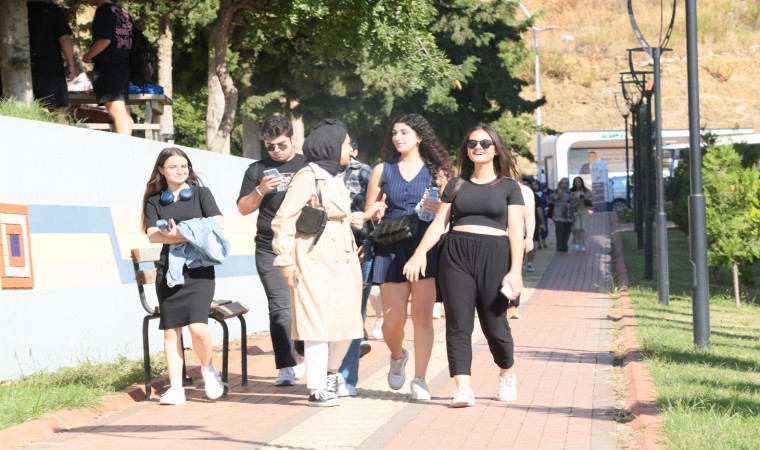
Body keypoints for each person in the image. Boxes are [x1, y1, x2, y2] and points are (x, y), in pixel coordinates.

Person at [403, 124, 525, 408]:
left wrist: (515, 271)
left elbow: (516, 231)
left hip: (495, 255)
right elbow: (439, 224)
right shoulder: (456, 185)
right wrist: (420, 253)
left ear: (496, 149)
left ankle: (506, 373)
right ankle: (463, 387)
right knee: (458, 323)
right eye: (472, 143)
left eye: (485, 143)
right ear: (466, 150)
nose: (478, 147)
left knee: (495, 326)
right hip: (456, 255)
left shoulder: (509, 187)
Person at [271, 119, 385, 407]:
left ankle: (332, 374)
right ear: (331, 145)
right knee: (316, 323)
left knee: (349, 321)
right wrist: (284, 259)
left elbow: (339, 216)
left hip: (344, 255)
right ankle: (317, 387)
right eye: (346, 145)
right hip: (313, 256)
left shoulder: (334, 176)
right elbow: (284, 219)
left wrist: (365, 216)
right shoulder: (308, 175)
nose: (350, 150)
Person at [366, 113, 453, 401]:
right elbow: (369, 210)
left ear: (419, 137)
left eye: (404, 132)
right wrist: (375, 211)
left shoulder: (438, 172)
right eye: (394, 132)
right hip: (391, 245)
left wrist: (439, 207)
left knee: (422, 317)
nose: (397, 137)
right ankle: (397, 354)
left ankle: (420, 380)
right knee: (392, 320)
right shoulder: (382, 170)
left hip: (425, 246)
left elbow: (449, 212)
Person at [140, 147, 226, 405]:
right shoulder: (155, 200)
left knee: (198, 328)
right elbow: (153, 235)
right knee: (171, 331)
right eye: (173, 166)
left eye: (184, 166)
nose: (180, 170)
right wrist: (184, 234)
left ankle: (208, 370)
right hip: (169, 271)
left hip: (199, 269)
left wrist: (179, 234)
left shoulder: (201, 194)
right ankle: (176, 387)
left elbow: (218, 223)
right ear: (161, 170)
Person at [237, 114, 308, 387]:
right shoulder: (257, 170)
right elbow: (243, 209)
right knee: (280, 306)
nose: (276, 151)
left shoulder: (307, 165)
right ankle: (286, 366)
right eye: (270, 146)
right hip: (269, 247)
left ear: (293, 139)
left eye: (281, 145)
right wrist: (260, 190)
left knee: (304, 303)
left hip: (302, 244)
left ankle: (304, 353)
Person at [337, 138, 374, 396]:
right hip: (327, 251)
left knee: (354, 311)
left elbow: (376, 209)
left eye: (345, 143)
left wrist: (370, 241)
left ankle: (347, 378)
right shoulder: (317, 172)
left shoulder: (364, 172)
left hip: (361, 248)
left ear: (353, 149)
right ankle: (328, 373)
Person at [82, 0, 134, 135]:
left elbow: (104, 40)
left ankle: (123, 145)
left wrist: (88, 56)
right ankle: (129, 143)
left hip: (109, 67)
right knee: (124, 111)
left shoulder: (104, 10)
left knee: (116, 110)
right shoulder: (123, 12)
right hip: (124, 66)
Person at [27, 1, 77, 113]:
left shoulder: (9, 10)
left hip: (17, 66)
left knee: (19, 110)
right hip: (49, 67)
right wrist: (71, 65)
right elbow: (64, 39)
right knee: (57, 112)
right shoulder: (53, 10)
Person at [570, 176, 592, 252]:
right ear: (573, 183)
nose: (577, 182)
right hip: (575, 211)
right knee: (576, 228)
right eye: (575, 181)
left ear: (582, 182)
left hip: (584, 210)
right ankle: (576, 242)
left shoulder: (587, 191)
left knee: (584, 228)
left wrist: (585, 198)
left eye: (579, 181)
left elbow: (590, 202)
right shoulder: (571, 191)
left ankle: (583, 245)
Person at [552, 177, 574, 252]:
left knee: (567, 231)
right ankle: (559, 246)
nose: (564, 184)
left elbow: (573, 203)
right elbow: (551, 201)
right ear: (560, 183)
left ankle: (564, 245)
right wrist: (557, 196)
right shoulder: (556, 191)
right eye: (562, 183)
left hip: (568, 214)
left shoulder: (570, 192)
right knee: (559, 230)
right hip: (558, 214)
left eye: (566, 183)